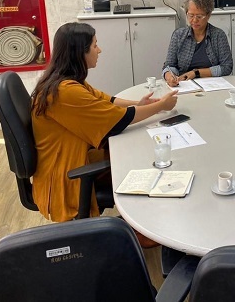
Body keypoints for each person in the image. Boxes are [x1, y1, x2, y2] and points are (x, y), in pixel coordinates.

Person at [31, 22, 178, 222]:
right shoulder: (65, 92)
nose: (99, 50)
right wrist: (160, 106)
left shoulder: (68, 82)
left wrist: (139, 103)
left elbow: (106, 100)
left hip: (76, 158)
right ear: (79, 52)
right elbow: (117, 121)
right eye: (94, 46)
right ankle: (147, 224)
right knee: (143, 162)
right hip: (67, 178)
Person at [163, 0, 233, 86]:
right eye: (191, 15)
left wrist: (196, 73)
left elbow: (227, 67)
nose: (194, 20)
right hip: (184, 85)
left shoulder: (218, 35)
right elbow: (169, 66)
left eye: (199, 16)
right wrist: (169, 77)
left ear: (208, 15)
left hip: (212, 85)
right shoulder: (178, 35)